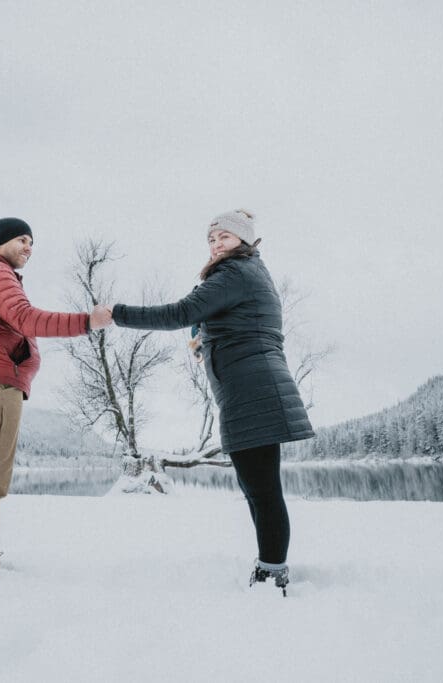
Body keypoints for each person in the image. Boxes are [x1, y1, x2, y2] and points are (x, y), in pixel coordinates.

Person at [109, 210, 314, 594]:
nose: (216, 244)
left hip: (252, 390)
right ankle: (270, 566)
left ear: (243, 239)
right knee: (258, 488)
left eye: (223, 236)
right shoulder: (249, 272)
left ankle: (273, 571)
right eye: (211, 239)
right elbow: (209, 316)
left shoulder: (234, 273)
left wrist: (115, 314)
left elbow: (181, 311)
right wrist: (201, 335)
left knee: (262, 489)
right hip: (250, 388)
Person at [0, 217, 112, 579]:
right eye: (22, 240)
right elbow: (27, 319)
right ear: (2, 241)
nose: (28, 248)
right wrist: (87, 321)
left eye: (32, 242)